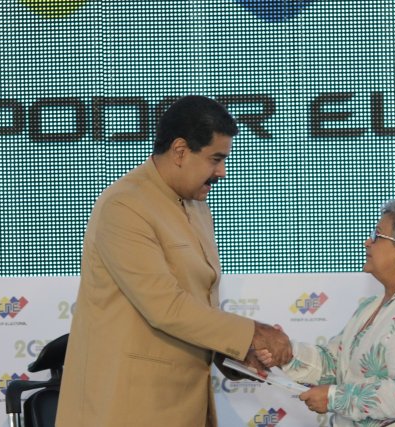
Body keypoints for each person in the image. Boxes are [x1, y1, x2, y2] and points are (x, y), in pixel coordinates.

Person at [55, 95, 291, 427]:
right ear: (180, 151)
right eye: (215, 159)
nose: (221, 173)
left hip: (184, 404)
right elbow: (165, 306)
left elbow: (198, 307)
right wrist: (251, 333)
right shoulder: (125, 206)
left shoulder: (196, 206)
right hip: (129, 409)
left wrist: (234, 355)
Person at [257, 200, 395, 426]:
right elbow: (334, 363)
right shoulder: (372, 305)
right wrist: (286, 352)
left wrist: (333, 398)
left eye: (378, 236)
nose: (367, 243)